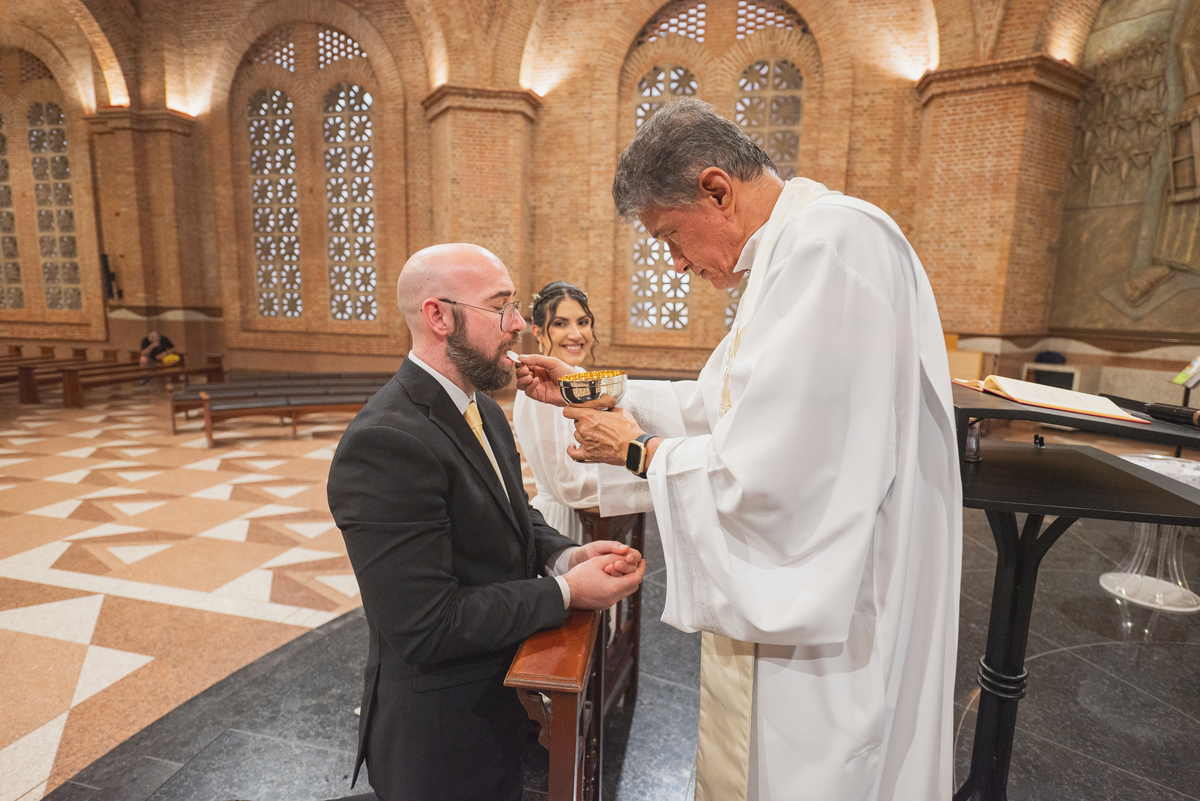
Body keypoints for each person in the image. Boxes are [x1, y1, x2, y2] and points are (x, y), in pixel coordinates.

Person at [517, 98, 962, 801]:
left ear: (717, 191)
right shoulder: (790, 256)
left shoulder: (832, 246)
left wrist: (640, 453)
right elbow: (713, 406)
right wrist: (586, 388)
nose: (675, 262)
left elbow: (782, 476)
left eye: (670, 235)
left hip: (838, 614)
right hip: (812, 605)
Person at [327, 243, 644, 801]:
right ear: (439, 316)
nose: (518, 324)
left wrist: (565, 555)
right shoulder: (385, 443)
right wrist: (568, 592)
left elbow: (512, 513)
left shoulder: (483, 410)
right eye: (501, 308)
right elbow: (426, 626)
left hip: (496, 702)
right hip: (440, 739)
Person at [513, 281, 600, 543]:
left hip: (592, 516)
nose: (576, 334)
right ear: (538, 332)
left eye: (583, 322)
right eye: (561, 324)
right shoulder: (538, 387)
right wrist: (642, 474)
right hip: (561, 523)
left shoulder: (580, 376)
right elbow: (567, 485)